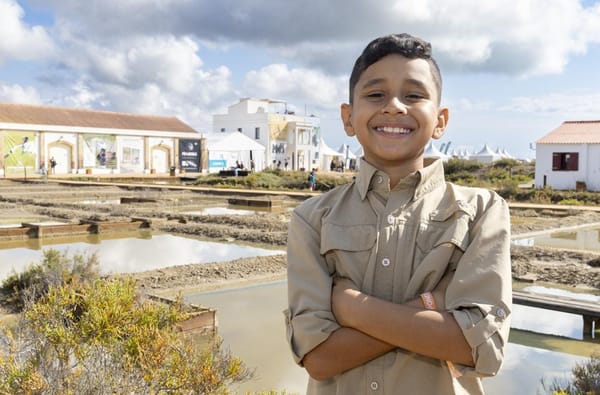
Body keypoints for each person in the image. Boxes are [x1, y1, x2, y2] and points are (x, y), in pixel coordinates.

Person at [285, 33, 511, 394]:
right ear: (348, 117)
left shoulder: (480, 212)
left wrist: (352, 307)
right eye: (376, 94)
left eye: (414, 95)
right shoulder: (313, 218)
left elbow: (479, 348)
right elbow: (319, 357)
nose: (394, 106)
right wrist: (432, 305)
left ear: (440, 119)